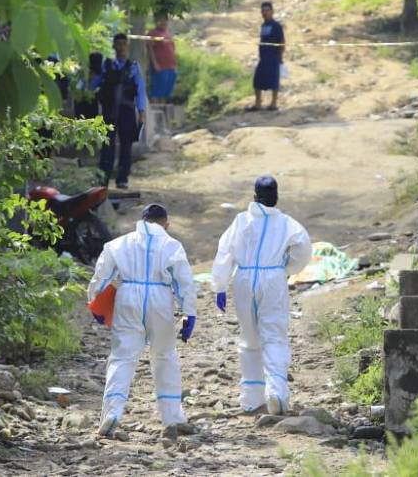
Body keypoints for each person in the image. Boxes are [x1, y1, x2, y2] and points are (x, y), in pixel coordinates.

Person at [87, 203, 197, 437]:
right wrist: (189, 313)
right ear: (166, 223)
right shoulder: (171, 245)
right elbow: (184, 282)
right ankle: (172, 418)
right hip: (160, 298)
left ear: (142, 220)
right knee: (165, 356)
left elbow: (101, 276)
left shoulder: (118, 244)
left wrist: (93, 301)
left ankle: (112, 413)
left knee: (122, 357)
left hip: (128, 296)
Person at [211, 176, 312, 414]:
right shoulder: (287, 224)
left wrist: (220, 286)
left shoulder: (241, 221)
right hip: (272, 279)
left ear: (254, 197)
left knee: (249, 338)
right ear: (276, 198)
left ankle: (252, 398)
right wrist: (287, 267)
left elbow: (225, 251)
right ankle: (276, 392)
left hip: (244, 279)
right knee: (274, 334)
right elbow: (303, 248)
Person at [91, 33, 147, 189]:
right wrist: (92, 74)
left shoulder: (134, 67)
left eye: (124, 44)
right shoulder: (107, 65)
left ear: (127, 46)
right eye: (118, 44)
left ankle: (122, 179)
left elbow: (140, 90)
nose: (121, 47)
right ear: (114, 46)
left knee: (126, 145)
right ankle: (103, 179)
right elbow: (93, 85)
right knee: (107, 145)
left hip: (127, 111)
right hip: (109, 111)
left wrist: (141, 112)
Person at [248, 1, 285, 112]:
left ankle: (273, 104)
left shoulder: (276, 26)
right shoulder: (263, 25)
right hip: (263, 58)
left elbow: (282, 42)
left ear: (272, 11)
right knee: (257, 80)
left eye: (267, 10)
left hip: (273, 57)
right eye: (263, 10)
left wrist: (280, 57)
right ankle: (258, 103)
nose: (264, 12)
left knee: (273, 80)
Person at [146, 3, 178, 105]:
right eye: (160, 19)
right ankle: (156, 111)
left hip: (170, 67)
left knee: (166, 92)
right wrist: (154, 64)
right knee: (157, 91)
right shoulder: (152, 33)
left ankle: (163, 112)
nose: (163, 22)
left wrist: (175, 65)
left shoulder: (167, 33)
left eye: (165, 19)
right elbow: (150, 49)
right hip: (159, 67)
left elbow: (172, 49)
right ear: (156, 21)